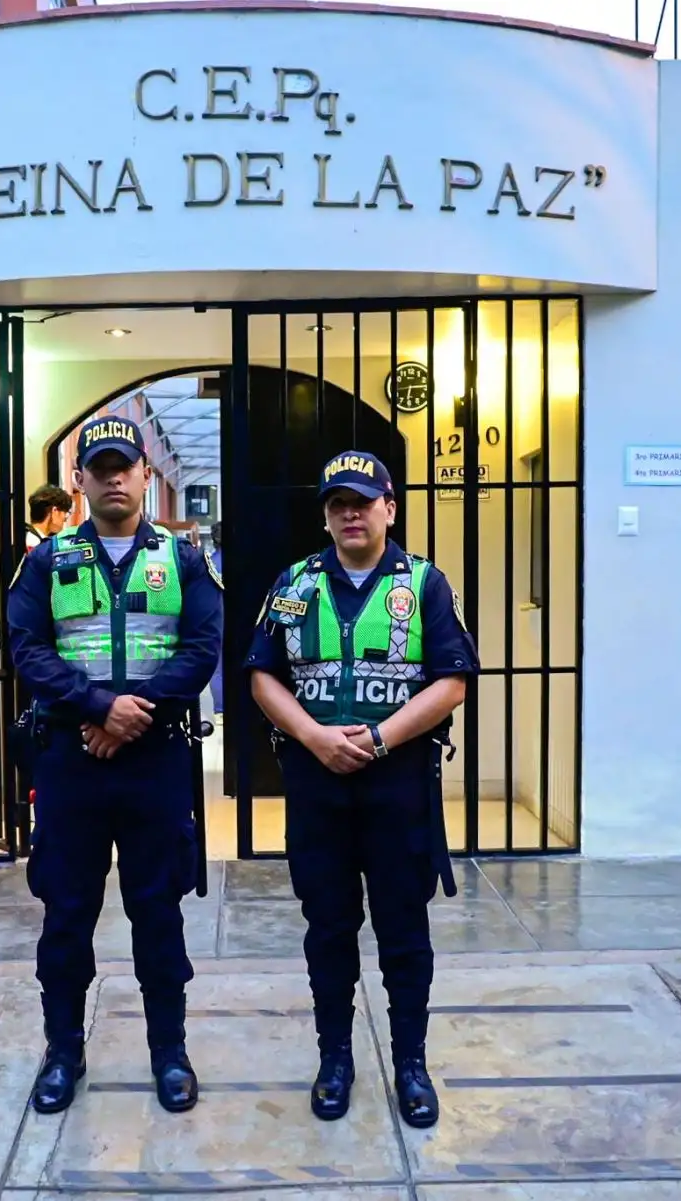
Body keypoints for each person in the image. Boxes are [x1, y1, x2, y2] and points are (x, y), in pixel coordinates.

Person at [246, 451, 476, 1129]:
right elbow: (262, 675)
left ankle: (411, 1063)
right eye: (338, 503)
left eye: (363, 501)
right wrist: (316, 736)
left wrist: (378, 739)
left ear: (389, 508)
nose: (351, 513)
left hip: (397, 782)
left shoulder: (426, 583)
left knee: (405, 930)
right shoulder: (293, 584)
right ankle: (335, 1058)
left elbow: (452, 680)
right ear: (325, 513)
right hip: (318, 785)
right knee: (329, 928)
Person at [5, 416, 223, 1115]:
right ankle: (62, 1052)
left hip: (154, 761)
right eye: (100, 466)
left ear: (142, 472)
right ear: (81, 480)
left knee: (156, 911)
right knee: (67, 914)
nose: (114, 477)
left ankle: (171, 1053)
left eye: (124, 464)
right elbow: (27, 647)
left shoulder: (183, 558)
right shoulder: (46, 560)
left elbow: (202, 645)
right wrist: (98, 706)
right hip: (72, 760)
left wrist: (138, 713)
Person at [207, 523, 225, 717]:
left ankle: (220, 711)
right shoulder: (240, 559)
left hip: (215, 617)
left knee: (218, 666)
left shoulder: (210, 562)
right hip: (238, 618)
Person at [24, 484, 74, 550]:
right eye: (65, 513)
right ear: (55, 511)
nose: (65, 520)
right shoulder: (35, 544)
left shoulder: (28, 537)